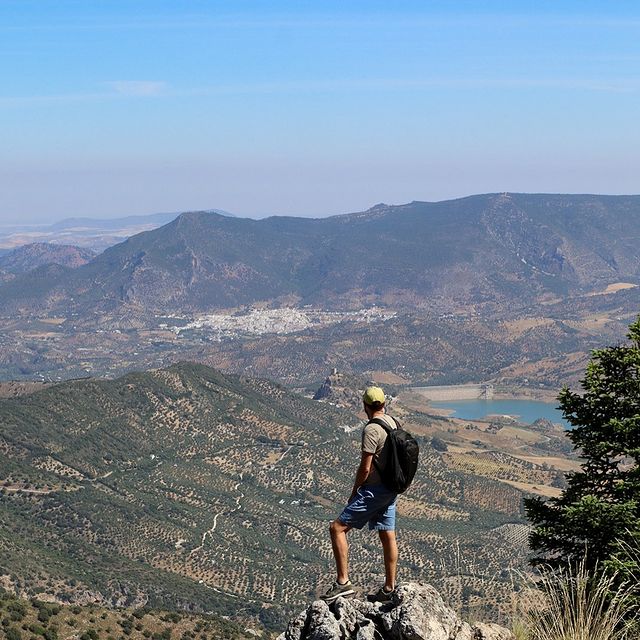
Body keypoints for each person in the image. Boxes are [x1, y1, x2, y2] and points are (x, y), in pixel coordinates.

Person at [322, 385, 399, 603]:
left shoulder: (372, 430)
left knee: (337, 528)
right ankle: (389, 588)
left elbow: (365, 467)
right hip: (391, 489)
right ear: (384, 404)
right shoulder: (393, 423)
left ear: (365, 406)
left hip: (374, 491)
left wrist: (355, 491)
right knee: (387, 534)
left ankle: (343, 583)